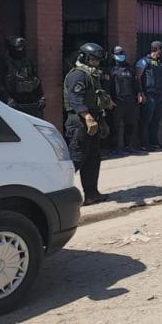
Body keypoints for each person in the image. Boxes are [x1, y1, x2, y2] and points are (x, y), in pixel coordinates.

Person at [64, 42, 114, 205]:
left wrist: (101, 119)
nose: (96, 62)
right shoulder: (78, 75)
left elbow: (97, 98)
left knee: (93, 159)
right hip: (79, 121)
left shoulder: (93, 75)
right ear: (83, 57)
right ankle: (60, 194)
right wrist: (87, 117)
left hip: (93, 119)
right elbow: (75, 100)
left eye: (98, 60)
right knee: (77, 158)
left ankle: (92, 194)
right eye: (93, 59)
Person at [0, 36, 46, 118]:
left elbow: (36, 80)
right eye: (17, 48)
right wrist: (8, 99)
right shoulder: (3, 63)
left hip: (31, 104)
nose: (20, 50)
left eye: (22, 47)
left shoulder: (28, 62)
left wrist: (41, 98)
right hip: (13, 104)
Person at [109, 45, 144, 155]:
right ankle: (114, 148)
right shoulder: (111, 70)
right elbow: (107, 86)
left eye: (122, 54)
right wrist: (109, 99)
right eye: (118, 54)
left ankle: (127, 146)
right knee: (115, 126)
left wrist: (139, 93)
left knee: (130, 124)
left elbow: (136, 82)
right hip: (117, 102)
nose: (121, 56)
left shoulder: (130, 69)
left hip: (131, 102)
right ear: (113, 56)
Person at [137, 40, 162, 151]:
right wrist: (140, 93)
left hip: (160, 95)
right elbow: (138, 77)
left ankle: (154, 142)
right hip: (149, 94)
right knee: (146, 120)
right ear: (157, 49)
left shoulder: (159, 63)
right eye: (161, 50)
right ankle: (144, 144)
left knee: (156, 120)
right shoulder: (143, 61)